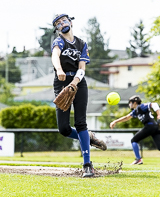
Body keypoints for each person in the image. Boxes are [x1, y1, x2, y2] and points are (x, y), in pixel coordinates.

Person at [51, 14, 107, 177]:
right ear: (57, 29)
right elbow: (55, 56)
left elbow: (82, 66)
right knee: (63, 128)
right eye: (58, 23)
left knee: (80, 122)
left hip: (78, 82)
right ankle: (90, 138)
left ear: (70, 22)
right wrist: (59, 70)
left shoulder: (81, 43)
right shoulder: (59, 41)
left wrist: (74, 82)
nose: (62, 24)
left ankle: (87, 165)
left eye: (64, 20)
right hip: (61, 81)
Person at [110, 95, 160, 165]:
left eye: (130, 102)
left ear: (135, 103)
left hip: (150, 126)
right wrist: (115, 121)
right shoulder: (135, 111)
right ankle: (138, 159)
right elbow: (126, 117)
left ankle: (138, 159)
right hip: (154, 127)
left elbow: (154, 104)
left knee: (134, 140)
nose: (129, 104)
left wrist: (158, 115)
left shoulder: (141, 107)